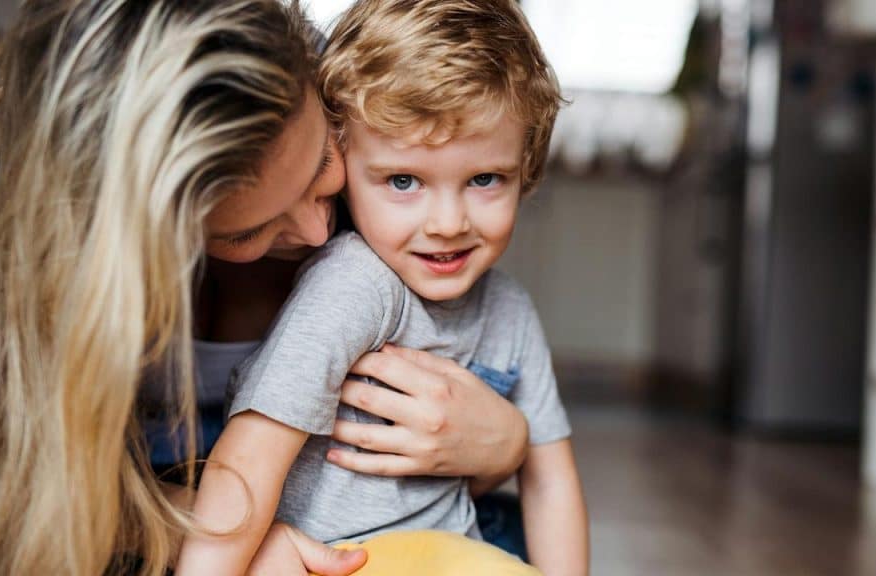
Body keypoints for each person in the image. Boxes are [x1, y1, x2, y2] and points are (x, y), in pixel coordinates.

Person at [0, 1, 530, 574]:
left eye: (320, 165)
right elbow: (6, 492)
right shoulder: (15, 241)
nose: (317, 231)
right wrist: (209, 528)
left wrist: (506, 445)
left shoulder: (356, 109)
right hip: (120, 502)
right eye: (250, 230)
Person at [176, 1, 589, 575]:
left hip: (446, 551)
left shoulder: (510, 309)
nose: (448, 222)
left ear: (527, 168)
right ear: (348, 155)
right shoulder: (353, 285)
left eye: (485, 179)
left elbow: (551, 478)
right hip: (326, 557)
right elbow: (247, 461)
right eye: (403, 180)